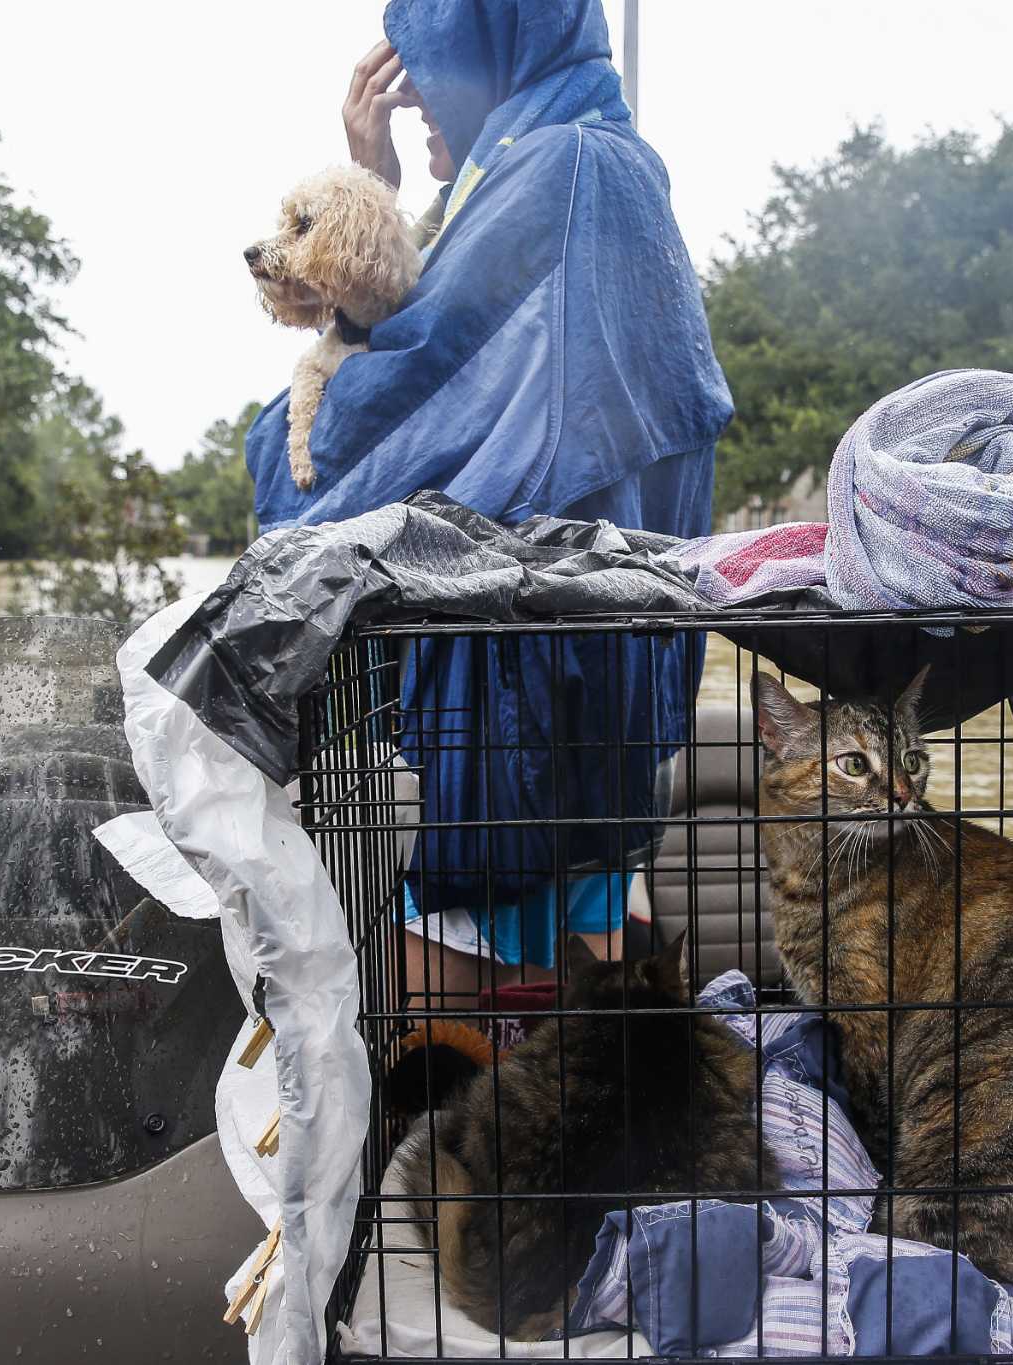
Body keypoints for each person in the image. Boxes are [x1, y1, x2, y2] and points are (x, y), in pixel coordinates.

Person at [243, 0, 732, 999]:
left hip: (501, 710)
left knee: (453, 1066)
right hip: (592, 696)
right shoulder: (594, 164)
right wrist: (368, 192)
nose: (410, 93)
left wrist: (359, 211)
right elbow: (448, 327)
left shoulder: (560, 172)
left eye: (433, 64)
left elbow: (369, 420)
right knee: (594, 1041)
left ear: (498, 52)